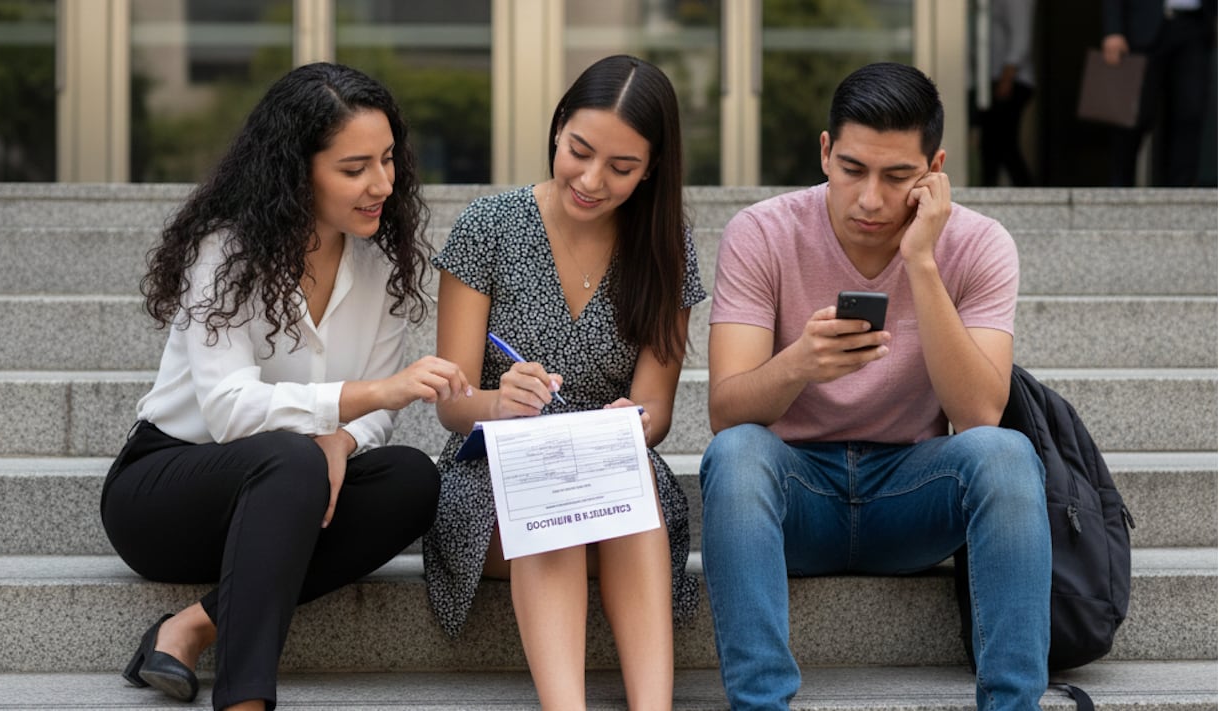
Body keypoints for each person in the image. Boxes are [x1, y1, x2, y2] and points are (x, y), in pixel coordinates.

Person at [101, 62, 471, 711]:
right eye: (354, 168)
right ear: (295, 170)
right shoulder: (225, 251)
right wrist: (360, 402)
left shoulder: (380, 265)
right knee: (294, 453)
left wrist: (342, 442)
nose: (381, 183)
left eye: (387, 160)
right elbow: (229, 411)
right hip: (168, 488)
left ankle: (191, 625)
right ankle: (245, 701)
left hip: (293, 489)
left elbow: (371, 427)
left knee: (413, 477)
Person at [700, 62, 1051, 710]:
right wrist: (799, 363)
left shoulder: (979, 244)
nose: (870, 199)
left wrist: (920, 259)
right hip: (796, 491)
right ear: (826, 151)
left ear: (934, 168)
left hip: (911, 495)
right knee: (737, 454)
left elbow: (979, 413)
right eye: (853, 169)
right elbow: (726, 410)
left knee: (1006, 456)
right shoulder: (763, 232)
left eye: (897, 177)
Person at [423, 54, 705, 710]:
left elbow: (657, 409)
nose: (590, 178)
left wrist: (630, 421)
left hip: (615, 475)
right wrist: (501, 399)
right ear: (556, 130)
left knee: (619, 476)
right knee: (556, 487)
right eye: (578, 150)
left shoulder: (665, 246)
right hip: (494, 473)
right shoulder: (488, 228)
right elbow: (453, 402)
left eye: (622, 167)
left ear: (652, 168)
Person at [1101, 0, 1216, 186]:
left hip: (1195, 25)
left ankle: (1181, 192)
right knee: (1133, 114)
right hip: (1141, 27)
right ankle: (1120, 187)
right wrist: (1113, 29)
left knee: (1190, 111)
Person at [975, 0, 1037, 186]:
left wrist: (1007, 77)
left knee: (1003, 143)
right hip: (990, 81)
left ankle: (1030, 194)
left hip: (1010, 80)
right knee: (991, 145)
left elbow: (1021, 38)